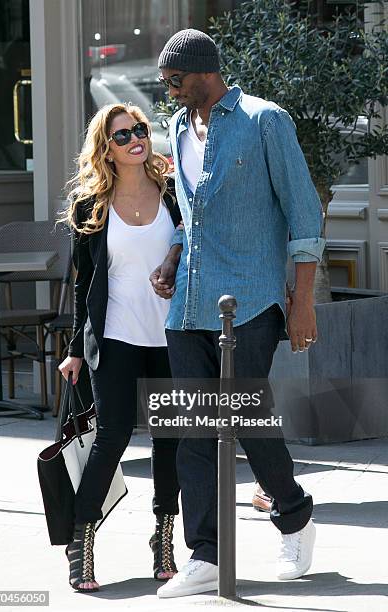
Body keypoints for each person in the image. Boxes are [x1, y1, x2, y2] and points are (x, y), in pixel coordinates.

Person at [150, 29, 326, 599]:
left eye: (173, 79)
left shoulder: (264, 120)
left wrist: (302, 303)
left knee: (246, 416)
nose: (169, 90)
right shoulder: (177, 129)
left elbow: (303, 215)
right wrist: (173, 257)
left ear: (201, 71)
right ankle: (207, 555)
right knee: (195, 428)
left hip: (250, 296)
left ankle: (295, 517)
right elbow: (189, 213)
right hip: (190, 301)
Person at [58, 103, 181, 592]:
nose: (136, 139)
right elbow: (83, 284)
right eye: (123, 134)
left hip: (170, 335)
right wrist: (73, 348)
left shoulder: (172, 194)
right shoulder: (90, 206)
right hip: (115, 337)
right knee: (112, 438)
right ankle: (81, 538)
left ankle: (164, 537)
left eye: (141, 131)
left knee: (170, 439)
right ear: (105, 147)